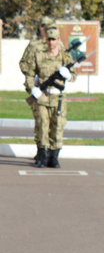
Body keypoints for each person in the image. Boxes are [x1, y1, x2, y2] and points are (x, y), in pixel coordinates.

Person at [25, 25, 76, 168]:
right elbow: (29, 75)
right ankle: (42, 156)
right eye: (49, 39)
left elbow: (74, 76)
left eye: (54, 39)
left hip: (58, 98)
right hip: (42, 97)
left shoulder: (65, 56)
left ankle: (54, 157)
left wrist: (68, 75)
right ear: (46, 40)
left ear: (59, 39)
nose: (52, 42)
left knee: (58, 127)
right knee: (42, 126)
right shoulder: (38, 55)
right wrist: (32, 89)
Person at [19, 17, 53, 163]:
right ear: (40, 28)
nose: (46, 30)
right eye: (43, 27)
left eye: (49, 27)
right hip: (39, 89)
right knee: (41, 121)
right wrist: (33, 77)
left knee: (54, 123)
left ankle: (52, 154)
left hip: (55, 91)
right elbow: (23, 64)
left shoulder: (59, 44)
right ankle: (41, 151)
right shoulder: (34, 45)